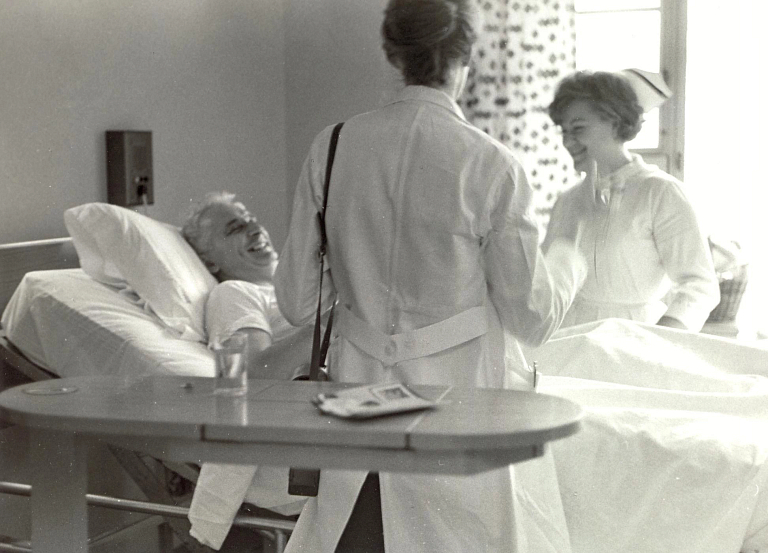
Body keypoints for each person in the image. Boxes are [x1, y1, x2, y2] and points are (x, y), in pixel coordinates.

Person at [273, 1, 588, 551]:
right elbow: (531, 319)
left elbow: (297, 303)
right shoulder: (490, 163)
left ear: (392, 53)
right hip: (458, 399)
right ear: (469, 56)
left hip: (360, 396)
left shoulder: (333, 145)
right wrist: (568, 262)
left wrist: (362, 275)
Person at [181, 191, 309, 551]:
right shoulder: (236, 294)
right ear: (208, 259)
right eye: (235, 227)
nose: (255, 227)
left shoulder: (295, 288)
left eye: (251, 218)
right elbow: (250, 381)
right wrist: (333, 319)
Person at [545, 70, 719, 331]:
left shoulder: (661, 193)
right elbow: (546, 281)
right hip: (569, 337)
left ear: (615, 123)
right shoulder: (567, 201)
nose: (568, 141)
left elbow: (700, 285)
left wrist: (658, 341)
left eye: (578, 128)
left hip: (637, 338)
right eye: (564, 130)